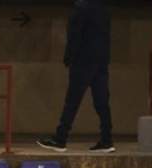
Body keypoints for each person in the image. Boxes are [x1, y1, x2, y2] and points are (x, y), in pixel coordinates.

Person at [39, 0, 114, 153]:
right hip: (101, 60)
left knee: (72, 101)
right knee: (102, 102)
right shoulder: (103, 8)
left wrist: (68, 57)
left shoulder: (80, 7)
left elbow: (75, 34)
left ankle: (61, 138)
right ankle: (107, 139)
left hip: (83, 60)